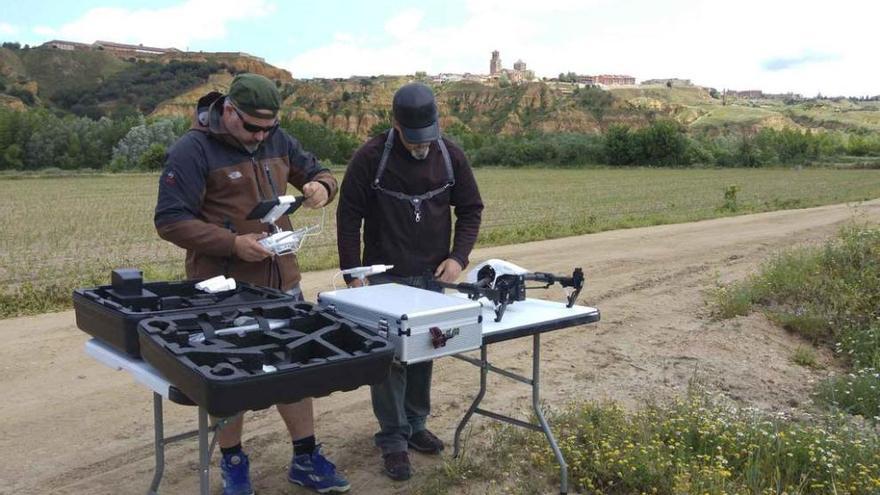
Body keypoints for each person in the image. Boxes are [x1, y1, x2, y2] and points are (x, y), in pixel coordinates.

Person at [154, 73, 350, 495]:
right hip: (224, 291)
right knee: (231, 381)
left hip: (283, 285)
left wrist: (321, 187)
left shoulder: (276, 138)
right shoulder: (192, 150)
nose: (261, 136)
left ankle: (305, 457)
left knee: (295, 373)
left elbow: (320, 171)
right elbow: (169, 221)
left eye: (268, 128)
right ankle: (234, 465)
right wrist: (231, 244)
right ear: (228, 111)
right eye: (252, 127)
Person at [336, 82, 484, 481]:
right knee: (389, 361)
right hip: (385, 279)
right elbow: (348, 216)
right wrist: (353, 275)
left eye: (427, 139)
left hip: (432, 277)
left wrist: (458, 258)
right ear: (395, 125)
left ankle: (416, 425)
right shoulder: (370, 158)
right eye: (413, 140)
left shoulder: (451, 155)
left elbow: (471, 209)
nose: (421, 147)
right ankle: (393, 439)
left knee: (424, 350)